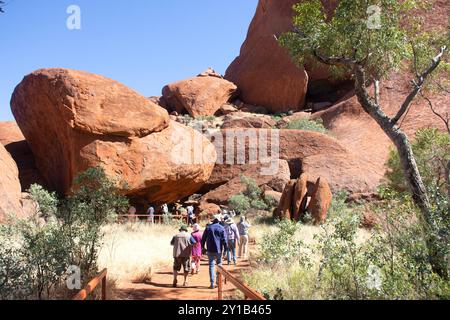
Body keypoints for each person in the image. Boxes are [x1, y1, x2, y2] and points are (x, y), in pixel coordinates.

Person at [201, 214, 228, 289]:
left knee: (211, 265)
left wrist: (202, 247)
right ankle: (218, 281)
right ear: (218, 220)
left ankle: (212, 283)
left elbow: (203, 239)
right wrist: (226, 249)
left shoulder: (208, 228)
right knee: (219, 264)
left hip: (210, 249)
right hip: (219, 250)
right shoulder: (221, 228)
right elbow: (224, 240)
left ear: (213, 220)